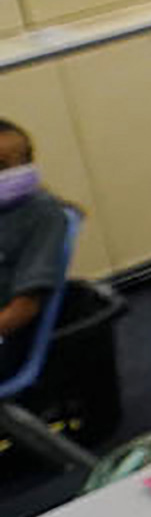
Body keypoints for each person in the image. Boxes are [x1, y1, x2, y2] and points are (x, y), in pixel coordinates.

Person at [0, 120, 71, 363]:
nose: (17, 173)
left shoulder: (43, 214)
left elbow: (24, 309)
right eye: (1, 166)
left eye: (25, 160)